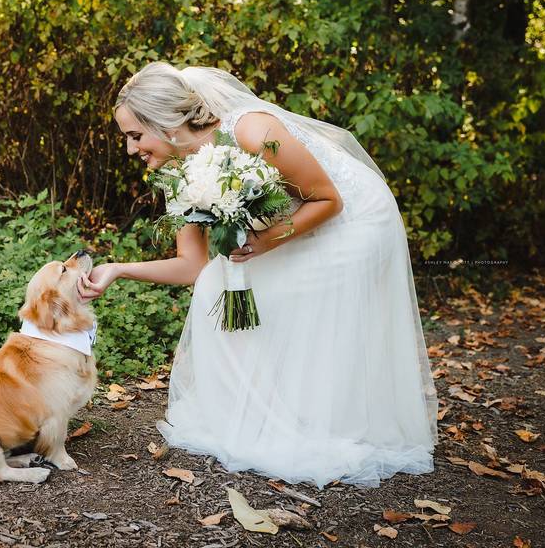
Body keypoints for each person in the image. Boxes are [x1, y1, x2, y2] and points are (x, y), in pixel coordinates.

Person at [78, 61, 439, 488]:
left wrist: (266, 242)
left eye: (134, 135)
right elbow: (193, 267)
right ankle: (254, 412)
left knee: (288, 292)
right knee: (215, 283)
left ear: (166, 123)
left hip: (356, 220)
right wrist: (117, 269)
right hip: (294, 223)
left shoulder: (251, 130)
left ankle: (321, 419)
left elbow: (327, 200)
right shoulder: (179, 172)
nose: (130, 149)